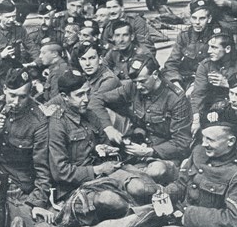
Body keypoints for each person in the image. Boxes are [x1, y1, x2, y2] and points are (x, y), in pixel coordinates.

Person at [10, 107, 237, 227]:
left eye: (211, 139)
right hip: (173, 214)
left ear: (230, 142)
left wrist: (185, 214)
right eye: (204, 137)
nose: (205, 143)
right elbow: (182, 184)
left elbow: (233, 221)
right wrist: (165, 194)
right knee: (111, 226)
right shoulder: (200, 152)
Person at [47, 70, 156, 205]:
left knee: (148, 185)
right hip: (78, 184)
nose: (86, 99)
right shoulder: (58, 124)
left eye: (87, 93)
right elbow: (60, 172)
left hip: (103, 171)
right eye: (79, 95)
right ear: (64, 96)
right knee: (132, 192)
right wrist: (97, 169)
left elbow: (104, 145)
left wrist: (107, 149)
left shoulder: (90, 115)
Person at [0, 68, 57, 227]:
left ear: (29, 93)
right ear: (4, 90)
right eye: (12, 95)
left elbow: (43, 169)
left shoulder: (38, 122)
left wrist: (36, 203)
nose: (16, 102)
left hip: (18, 186)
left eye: (22, 97)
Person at [90, 56, 193, 184]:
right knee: (100, 115)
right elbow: (95, 101)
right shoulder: (132, 87)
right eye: (135, 82)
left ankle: (125, 174)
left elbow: (182, 142)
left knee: (156, 171)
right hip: (136, 140)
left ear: (155, 74)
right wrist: (108, 128)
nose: (138, 86)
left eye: (142, 81)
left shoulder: (176, 99)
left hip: (161, 152)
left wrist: (149, 152)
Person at [190, 28, 237, 135]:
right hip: (214, 110)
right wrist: (196, 120)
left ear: (228, 48)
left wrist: (227, 83)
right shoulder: (205, 65)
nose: (209, 51)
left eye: (214, 47)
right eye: (209, 46)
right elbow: (198, 95)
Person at [163, 0, 215, 91]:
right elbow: (171, 63)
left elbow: (222, 67)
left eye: (202, 18)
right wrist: (176, 84)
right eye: (194, 18)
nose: (197, 22)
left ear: (209, 19)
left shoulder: (216, 37)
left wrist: (195, 85)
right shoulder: (184, 36)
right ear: (190, 18)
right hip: (185, 79)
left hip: (207, 82)